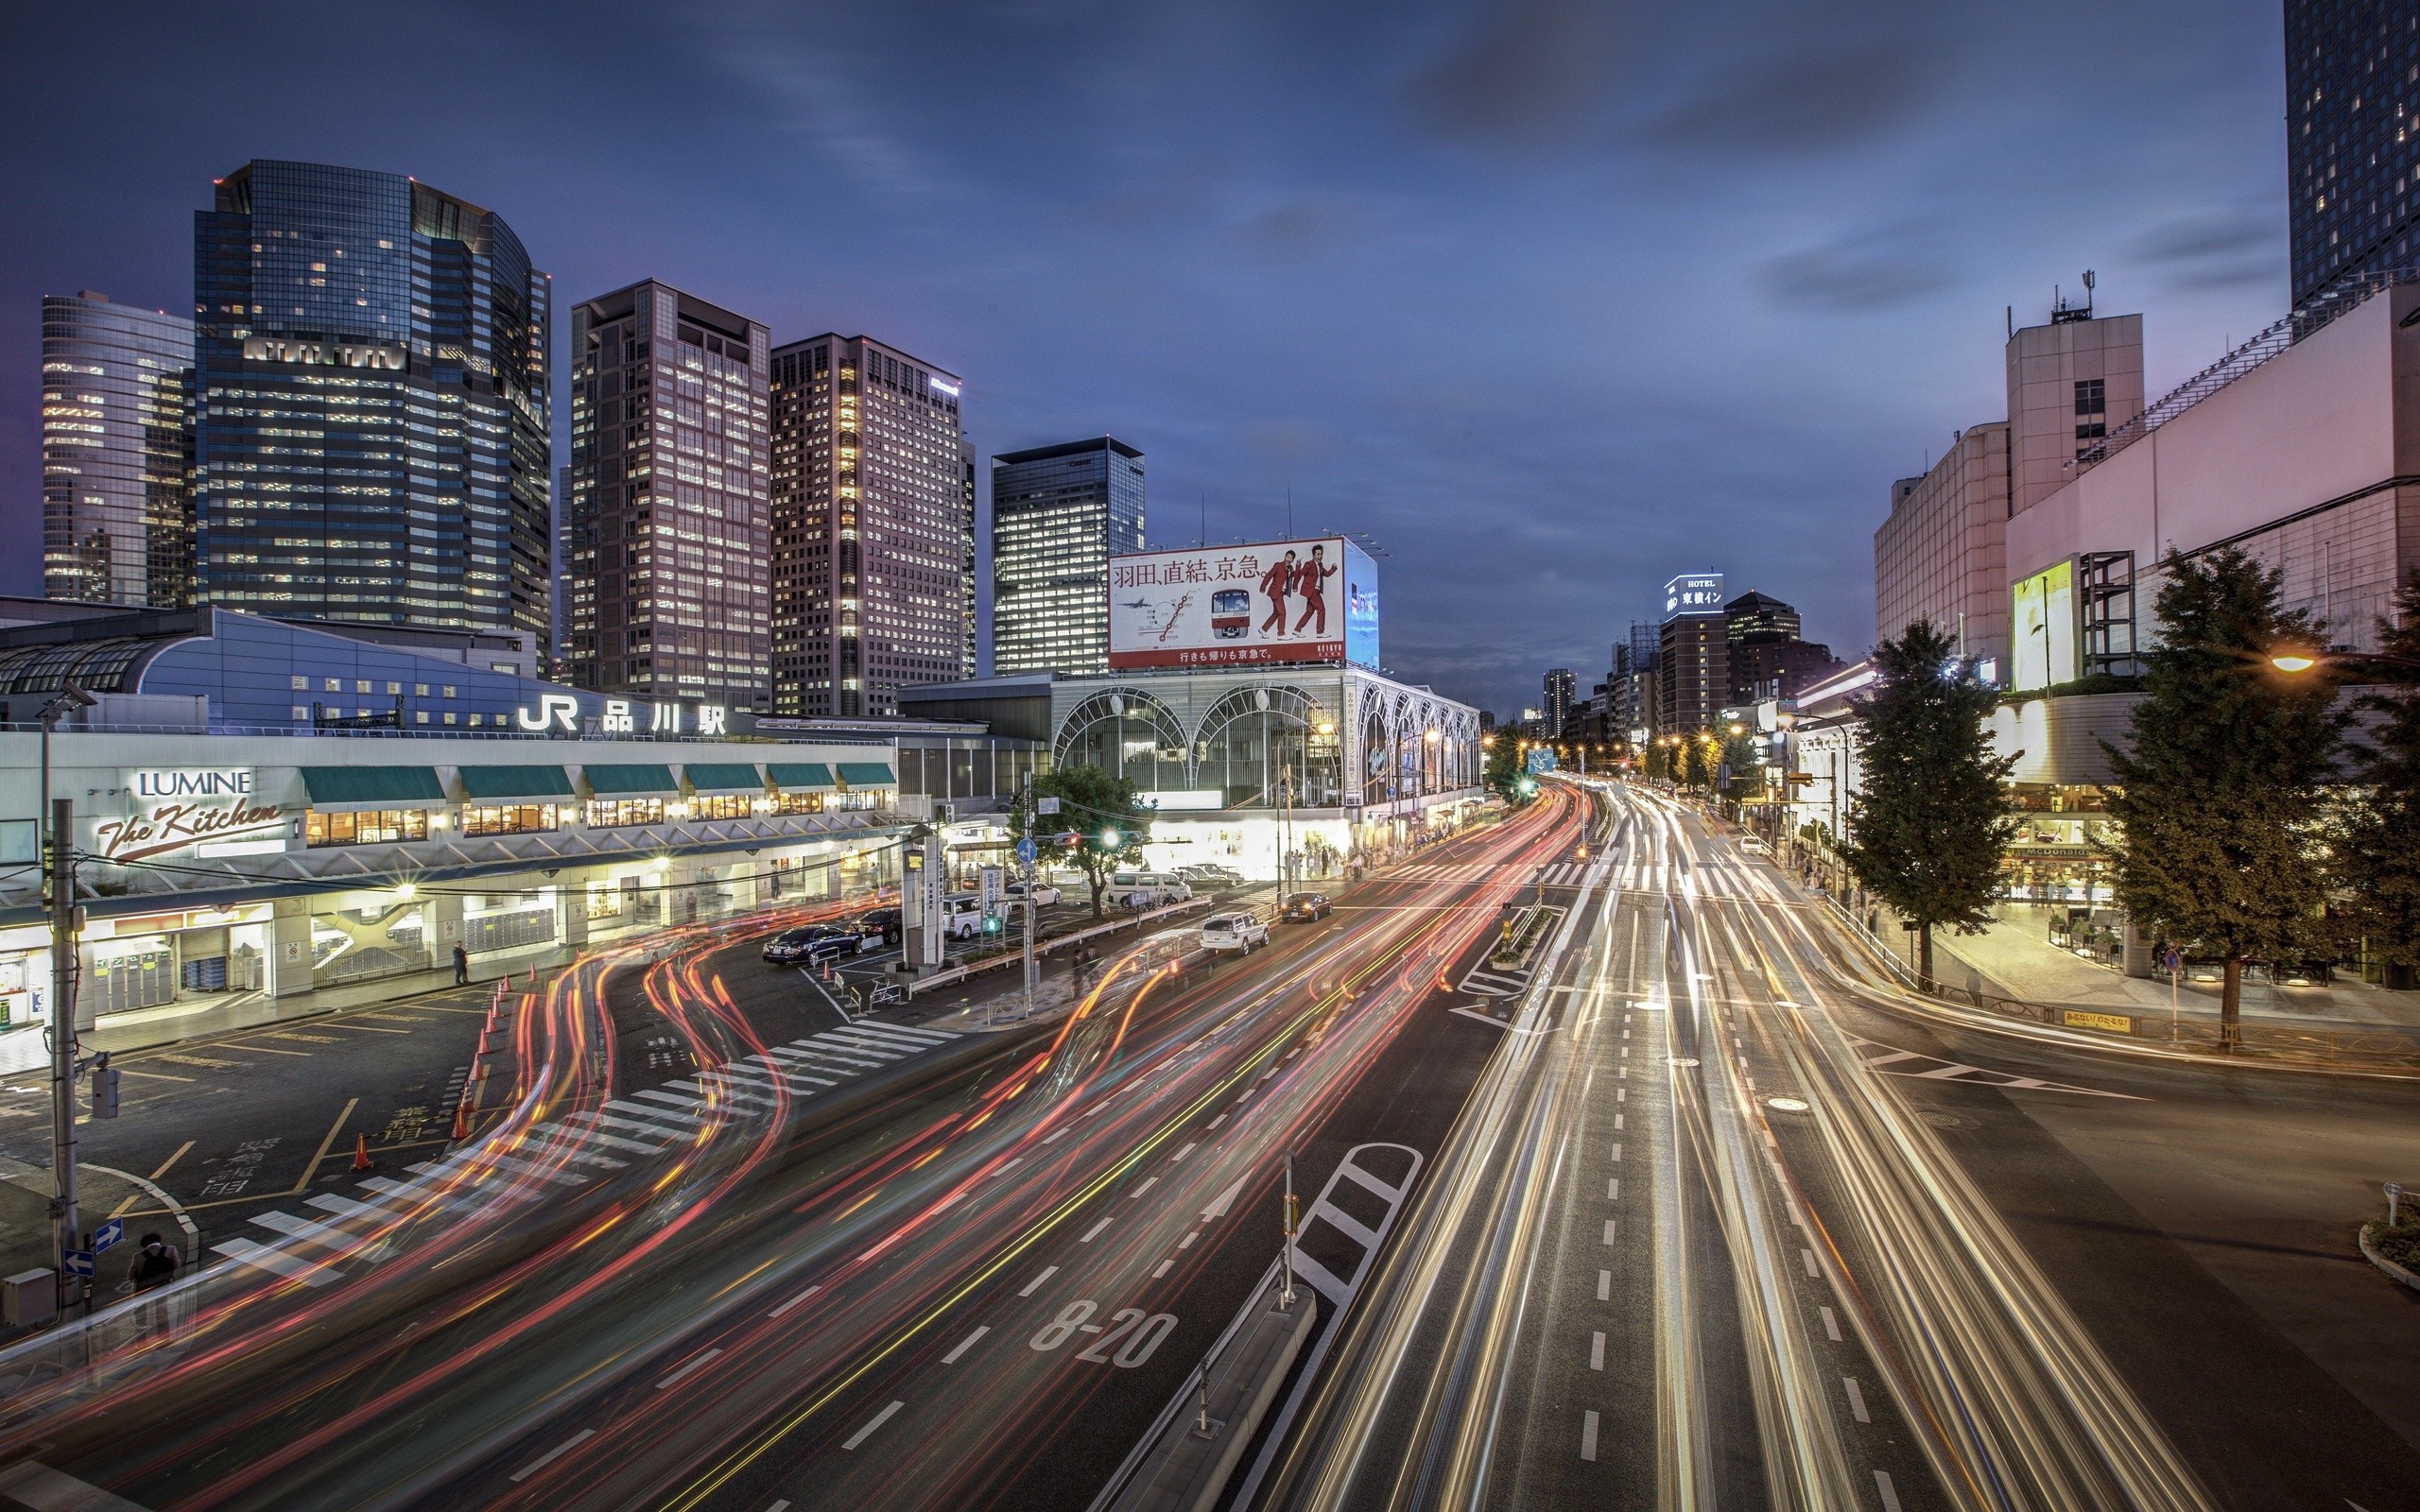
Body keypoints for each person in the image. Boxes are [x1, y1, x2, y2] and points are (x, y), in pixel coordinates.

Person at [1290, 543, 1336, 636]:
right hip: (1312, 591)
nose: (1320, 556)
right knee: (1321, 610)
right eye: (1318, 554)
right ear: (1313, 555)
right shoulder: (1309, 564)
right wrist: (1298, 565)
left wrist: (1333, 568)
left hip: (1316, 590)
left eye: (1321, 554)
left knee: (1309, 611)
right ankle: (1320, 632)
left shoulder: (1320, 565)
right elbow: (1299, 575)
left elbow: (1326, 574)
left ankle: (1297, 629)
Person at [1259, 551, 1297, 636]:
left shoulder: (1290, 568)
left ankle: (1263, 629)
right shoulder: (1278, 565)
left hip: (1281, 593)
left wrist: (1298, 565)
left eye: (1291, 558)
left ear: (1293, 560)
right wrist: (1263, 587)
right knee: (1282, 613)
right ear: (1285, 556)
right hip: (1275, 592)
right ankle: (1281, 634)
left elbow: (1296, 576)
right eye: (1287, 557)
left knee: (1276, 613)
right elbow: (1269, 575)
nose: (1289, 559)